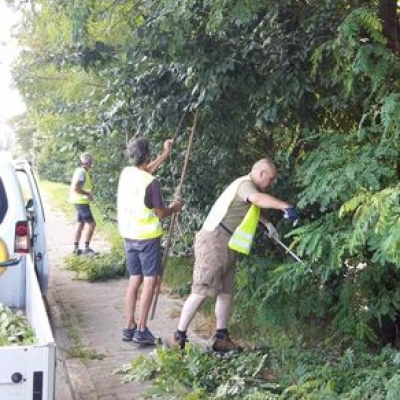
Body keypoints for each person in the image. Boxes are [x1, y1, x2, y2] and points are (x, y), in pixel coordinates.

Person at [167, 157, 298, 352]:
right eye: (269, 179)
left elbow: (251, 208)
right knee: (201, 290)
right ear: (261, 173)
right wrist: (285, 206)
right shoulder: (245, 185)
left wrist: (267, 224)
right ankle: (178, 338)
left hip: (228, 244)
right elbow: (255, 200)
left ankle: (221, 338)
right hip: (214, 241)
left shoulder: (248, 187)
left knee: (226, 292)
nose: (269, 184)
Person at [117, 137, 183, 345]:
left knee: (134, 279)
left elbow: (146, 170)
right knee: (149, 282)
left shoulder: (127, 173)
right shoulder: (152, 183)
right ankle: (142, 329)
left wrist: (165, 154)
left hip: (129, 235)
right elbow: (160, 213)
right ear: (146, 155)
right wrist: (174, 208)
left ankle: (130, 326)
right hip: (147, 239)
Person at [69, 152, 98, 256]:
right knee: (92, 224)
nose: (91, 164)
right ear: (87, 163)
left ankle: (76, 248)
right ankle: (86, 248)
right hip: (81, 202)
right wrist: (88, 193)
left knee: (80, 223)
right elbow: (76, 188)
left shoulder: (79, 171)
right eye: (90, 162)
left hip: (78, 201)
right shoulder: (82, 172)